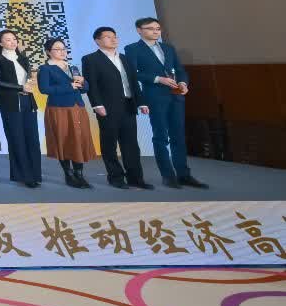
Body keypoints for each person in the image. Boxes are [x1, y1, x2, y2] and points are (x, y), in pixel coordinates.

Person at [125, 17, 207, 189]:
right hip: (155, 97)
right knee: (161, 137)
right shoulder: (132, 49)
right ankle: (168, 176)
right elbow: (132, 73)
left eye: (158, 28)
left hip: (176, 96)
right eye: (150, 28)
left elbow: (180, 70)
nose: (155, 31)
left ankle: (184, 175)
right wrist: (157, 79)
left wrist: (183, 83)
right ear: (139, 30)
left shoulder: (168, 48)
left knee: (179, 136)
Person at [82, 26, 153, 190]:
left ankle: (136, 178)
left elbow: (134, 83)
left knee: (131, 144)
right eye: (108, 37)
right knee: (109, 144)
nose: (113, 39)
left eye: (115, 36)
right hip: (107, 107)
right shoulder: (91, 59)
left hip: (128, 105)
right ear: (97, 41)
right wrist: (97, 104)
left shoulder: (124, 58)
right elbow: (92, 84)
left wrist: (141, 102)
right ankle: (116, 177)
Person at [37, 37, 96, 189]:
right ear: (48, 52)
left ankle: (79, 175)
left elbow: (84, 89)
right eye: (57, 49)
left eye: (64, 49)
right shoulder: (45, 69)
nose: (62, 52)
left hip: (78, 107)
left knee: (79, 140)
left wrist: (83, 82)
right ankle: (68, 175)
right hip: (59, 109)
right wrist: (69, 86)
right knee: (64, 140)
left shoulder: (72, 67)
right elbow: (44, 89)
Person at [0, 30, 41, 188]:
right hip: (10, 103)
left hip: (28, 101)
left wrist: (31, 83)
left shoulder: (23, 58)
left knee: (32, 138)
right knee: (16, 138)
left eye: (14, 39)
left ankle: (35, 174)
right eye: (8, 39)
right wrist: (20, 87)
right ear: (0, 43)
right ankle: (24, 176)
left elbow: (29, 79)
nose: (12, 42)